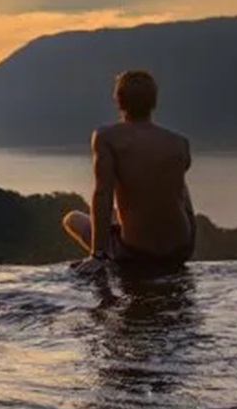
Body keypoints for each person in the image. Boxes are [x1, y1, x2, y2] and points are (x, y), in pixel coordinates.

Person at [65, 70, 196, 275]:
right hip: (181, 249)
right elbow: (177, 194)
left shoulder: (107, 137)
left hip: (137, 252)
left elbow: (103, 193)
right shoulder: (179, 142)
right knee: (180, 185)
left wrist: (98, 254)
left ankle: (105, 254)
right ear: (154, 102)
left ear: (118, 101)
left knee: (72, 218)